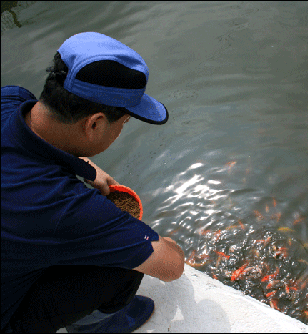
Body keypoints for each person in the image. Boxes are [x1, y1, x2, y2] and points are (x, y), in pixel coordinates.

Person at [1, 32, 185, 333]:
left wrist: (84, 167)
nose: (121, 130)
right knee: (123, 269)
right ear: (95, 123)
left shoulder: (10, 99)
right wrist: (169, 245)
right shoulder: (61, 205)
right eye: (123, 123)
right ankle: (97, 328)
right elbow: (171, 267)